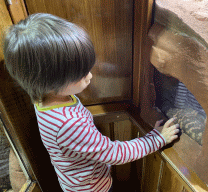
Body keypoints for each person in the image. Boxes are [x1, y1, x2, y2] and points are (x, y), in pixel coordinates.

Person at [3, 13, 180, 192]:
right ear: (50, 82)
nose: (90, 76)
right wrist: (157, 139)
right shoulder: (70, 124)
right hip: (91, 188)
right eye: (81, 74)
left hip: (73, 181)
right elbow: (114, 153)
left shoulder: (42, 97)